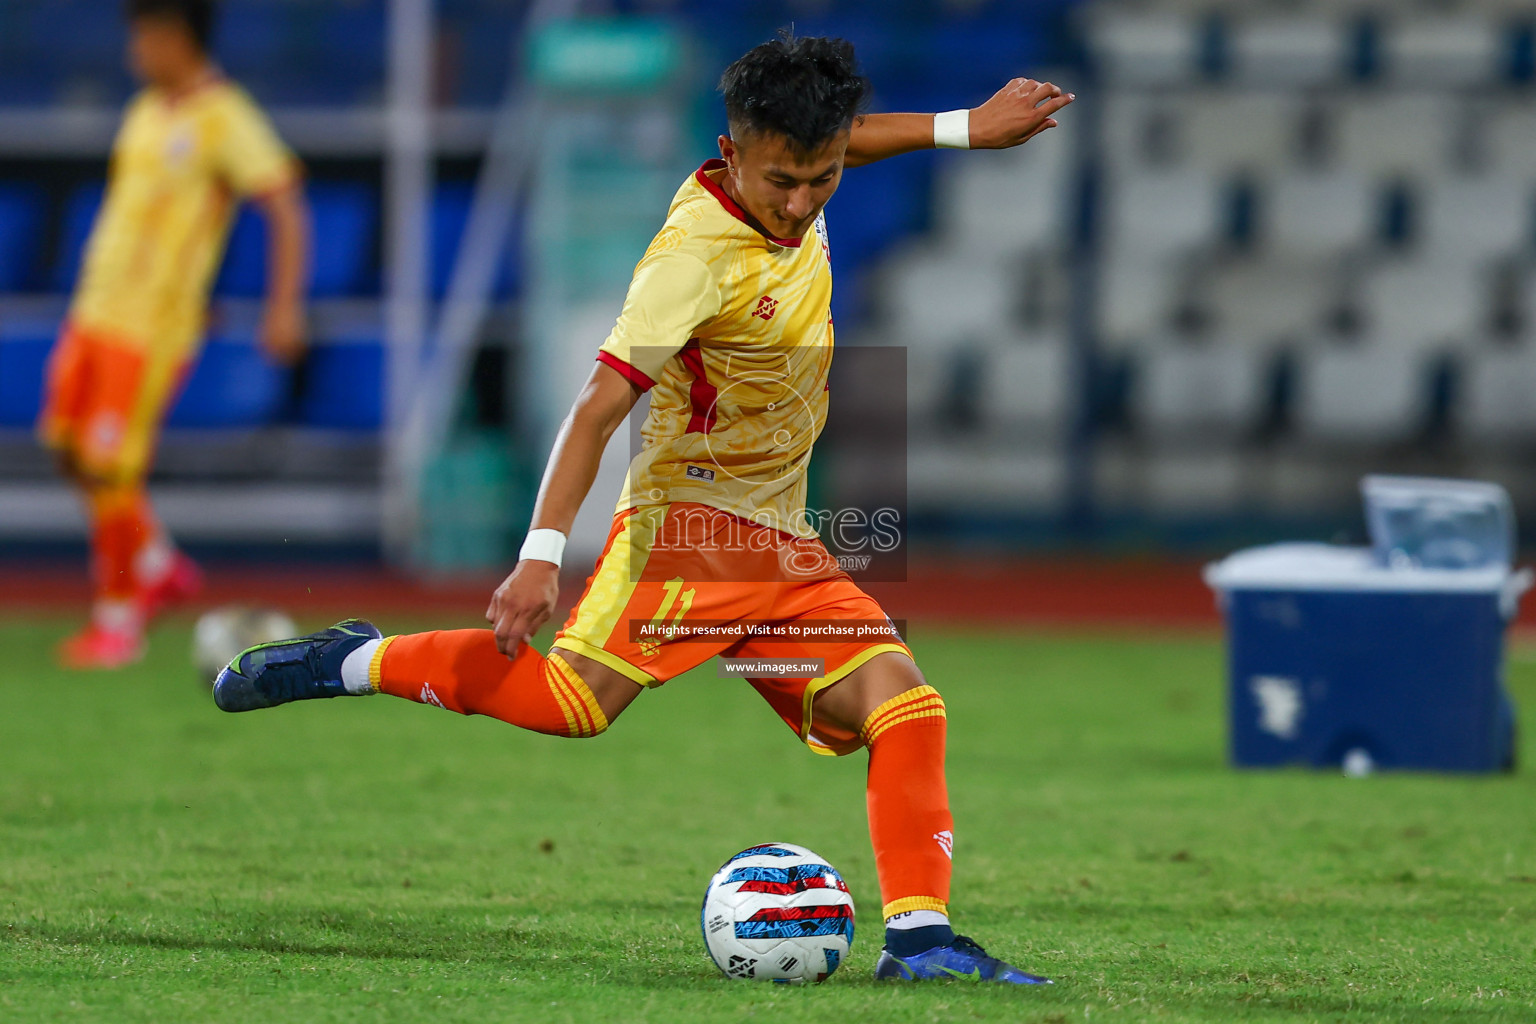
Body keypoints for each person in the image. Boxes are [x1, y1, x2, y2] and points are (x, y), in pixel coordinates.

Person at [215, 34, 1070, 984]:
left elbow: (858, 138)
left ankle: (919, 947)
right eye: (783, 180)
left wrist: (964, 129)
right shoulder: (691, 261)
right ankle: (355, 659)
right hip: (688, 539)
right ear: (731, 150)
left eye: (821, 179)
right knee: (571, 705)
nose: (801, 202)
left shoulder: (805, 161)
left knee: (906, 703)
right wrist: (541, 554)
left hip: (780, 542)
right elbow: (596, 408)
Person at [39, 0, 310, 668]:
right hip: (93, 310)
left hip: (150, 325)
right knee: (66, 447)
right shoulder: (143, 112)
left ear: (175, 37)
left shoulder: (226, 116)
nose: (135, 51)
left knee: (111, 466)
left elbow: (284, 205)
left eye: (143, 37)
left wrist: (283, 307)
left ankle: (118, 622)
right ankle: (156, 561)